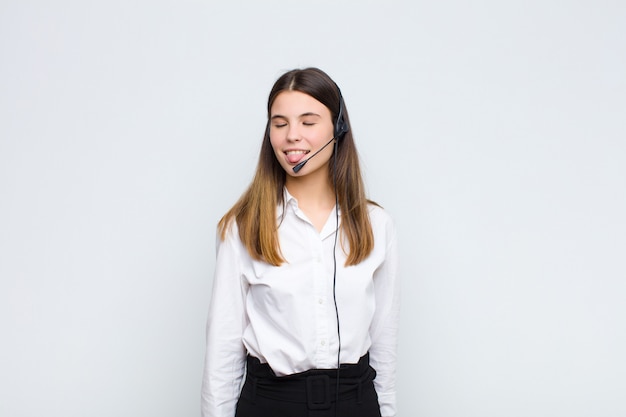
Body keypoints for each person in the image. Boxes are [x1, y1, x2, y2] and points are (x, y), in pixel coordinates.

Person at [201, 67, 399, 417]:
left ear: (337, 129)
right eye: (280, 124)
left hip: (355, 401)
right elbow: (223, 348)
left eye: (308, 122)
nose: (292, 136)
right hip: (271, 403)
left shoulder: (375, 225)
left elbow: (384, 342)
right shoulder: (243, 226)